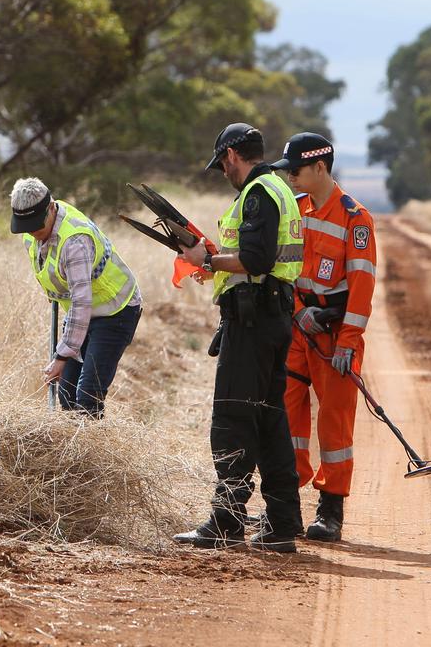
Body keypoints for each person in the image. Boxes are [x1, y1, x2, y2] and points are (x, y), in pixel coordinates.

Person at [173, 123, 305, 553]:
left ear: (231, 156)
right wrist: (214, 260)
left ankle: (227, 521)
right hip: (272, 316)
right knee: (269, 420)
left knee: (231, 419)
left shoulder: (258, 192)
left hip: (253, 321)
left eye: (222, 165)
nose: (223, 173)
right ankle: (283, 523)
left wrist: (206, 258)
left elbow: (256, 259)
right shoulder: (280, 188)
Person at [275, 132, 377, 542]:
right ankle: (285, 502)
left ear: (320, 168)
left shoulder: (356, 219)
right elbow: (285, 271)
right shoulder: (295, 211)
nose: (291, 178)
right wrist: (300, 313)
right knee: (286, 414)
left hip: (335, 335)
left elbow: (362, 287)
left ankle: (330, 511)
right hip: (299, 328)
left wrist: (348, 343)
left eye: (295, 171)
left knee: (334, 422)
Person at [10, 177, 142, 419]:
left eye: (37, 225)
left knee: (87, 397)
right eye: (26, 225)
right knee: (68, 395)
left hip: (115, 310)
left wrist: (61, 356)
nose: (32, 232)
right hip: (81, 312)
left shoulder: (75, 241)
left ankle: (93, 455)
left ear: (51, 208)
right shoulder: (31, 230)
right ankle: (71, 454)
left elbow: (82, 301)